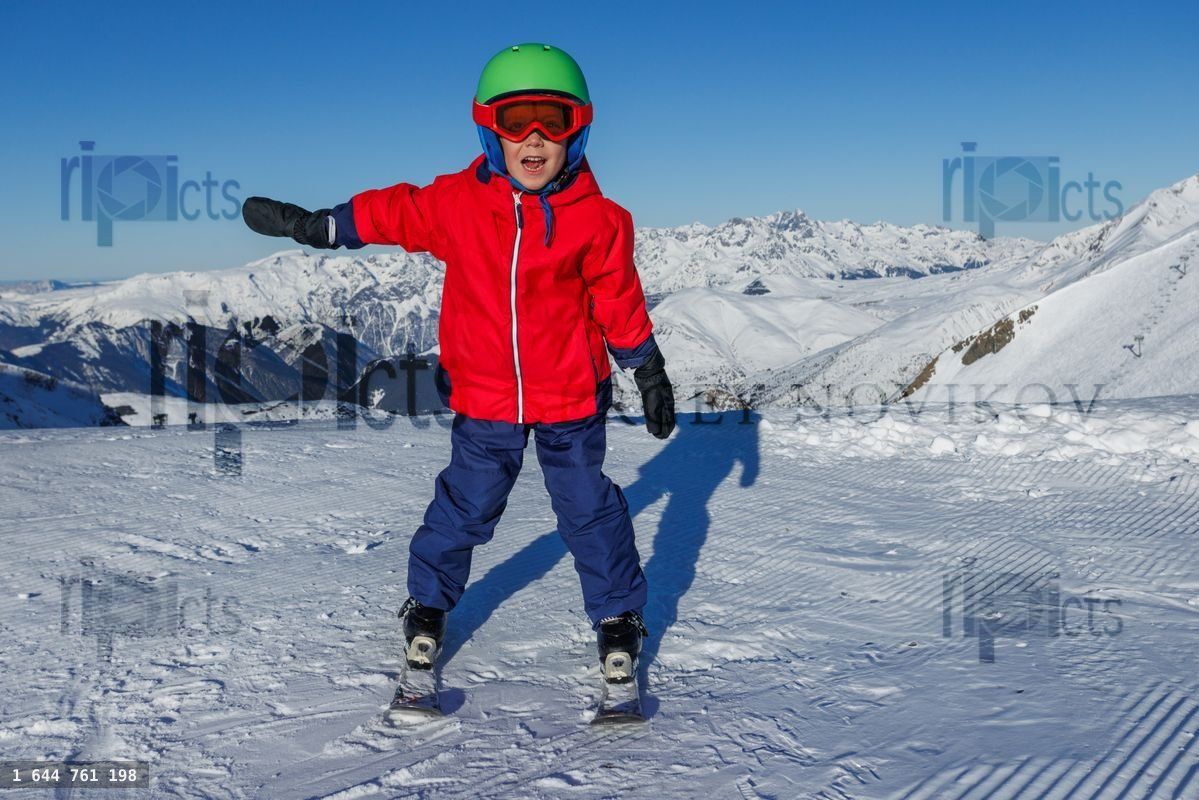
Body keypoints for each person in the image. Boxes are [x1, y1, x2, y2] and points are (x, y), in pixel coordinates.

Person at [241, 43, 676, 682]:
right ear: (488, 128)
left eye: (551, 122)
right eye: (514, 121)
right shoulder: (460, 204)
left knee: (588, 508)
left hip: (572, 399)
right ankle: (428, 604)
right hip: (486, 397)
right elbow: (392, 212)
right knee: (465, 507)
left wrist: (647, 366)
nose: (533, 138)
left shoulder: (602, 222)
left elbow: (618, 299)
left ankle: (618, 614)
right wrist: (320, 227)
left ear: (577, 129)